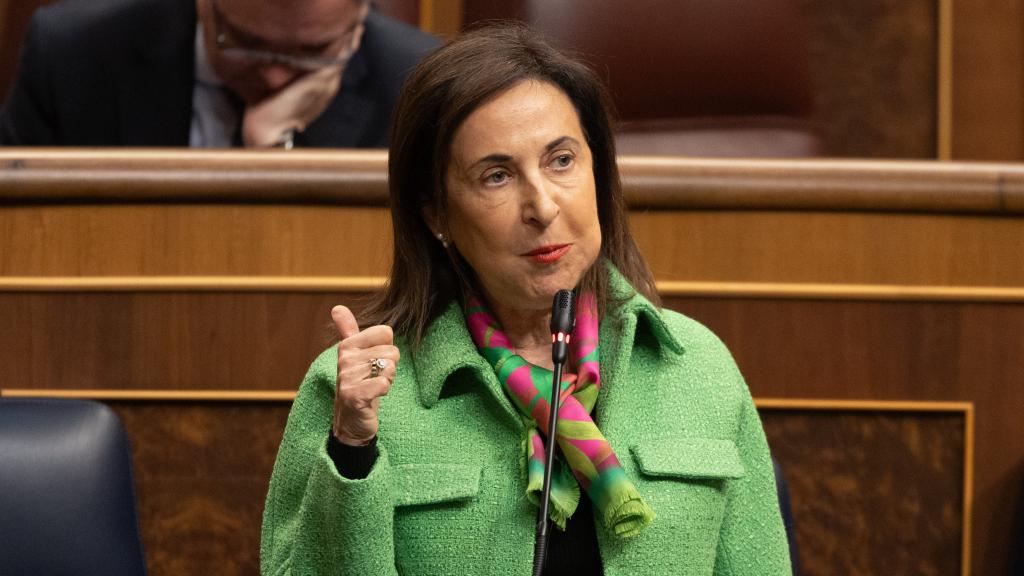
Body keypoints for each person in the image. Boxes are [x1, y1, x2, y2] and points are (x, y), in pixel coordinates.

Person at [261, 23, 792, 575]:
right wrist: (351, 448)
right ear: (437, 214)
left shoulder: (697, 368)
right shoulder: (359, 391)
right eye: (496, 176)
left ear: (598, 172)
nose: (541, 206)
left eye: (561, 160)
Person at [0, 0, 439, 147]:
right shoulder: (74, 54)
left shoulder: (416, 83)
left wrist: (276, 153)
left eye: (313, 52)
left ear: (359, 17)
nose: (272, 78)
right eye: (247, 44)